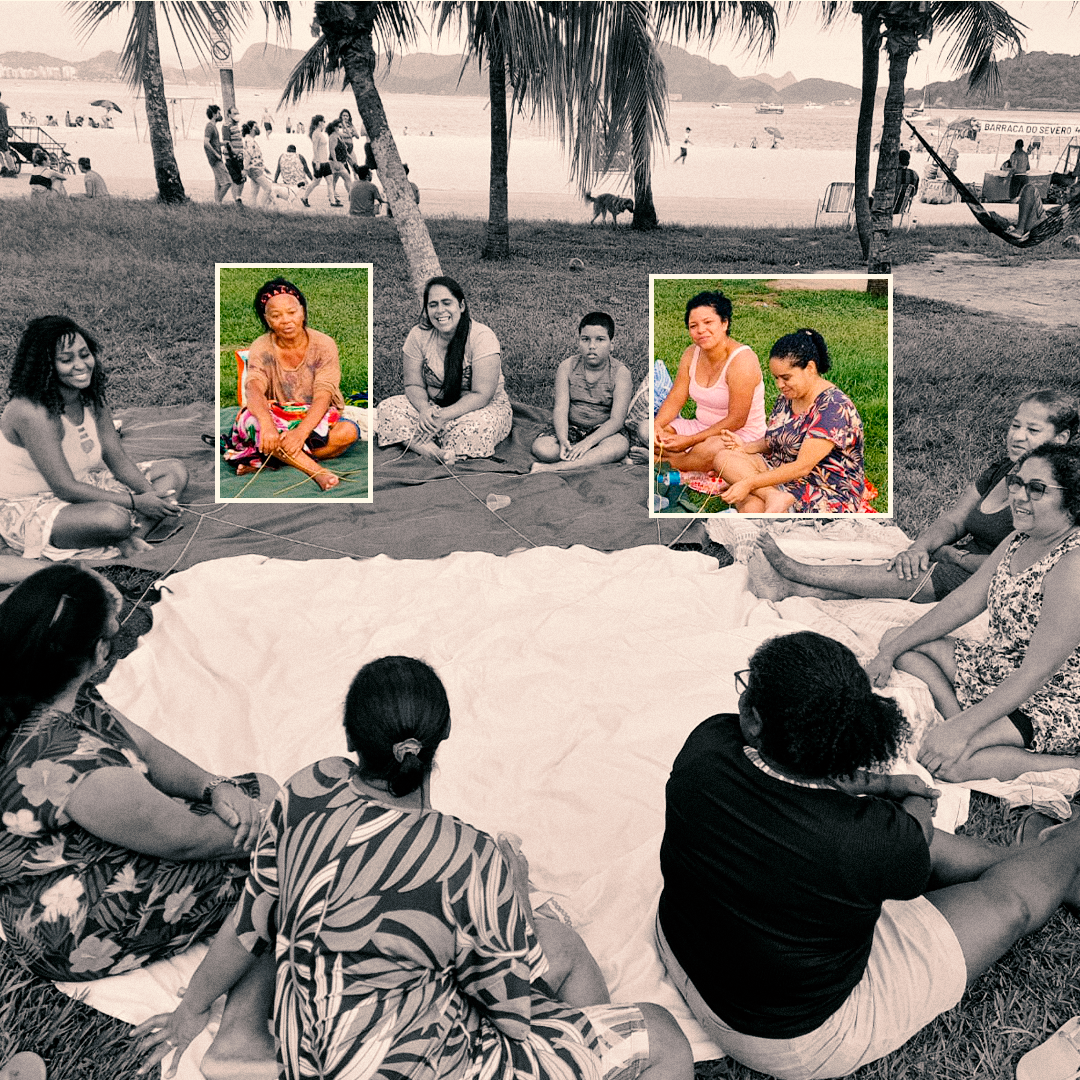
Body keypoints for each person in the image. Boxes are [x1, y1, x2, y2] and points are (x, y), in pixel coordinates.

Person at [134, 655, 693, 1080]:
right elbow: (511, 1009)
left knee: (558, 946)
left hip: (310, 1052)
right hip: (409, 1064)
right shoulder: (467, 854)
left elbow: (252, 922)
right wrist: (511, 894)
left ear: (351, 739)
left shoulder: (309, 786)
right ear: (439, 741)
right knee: (660, 1033)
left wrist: (191, 1009)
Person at [660, 630, 1080, 1080]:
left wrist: (882, 786)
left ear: (755, 719)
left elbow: (857, 808)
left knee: (929, 860)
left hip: (686, 950)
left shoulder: (708, 745)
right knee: (1008, 906)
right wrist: (916, 797)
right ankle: (1069, 846)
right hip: (794, 1038)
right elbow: (916, 841)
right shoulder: (866, 839)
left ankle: (1054, 868)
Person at [0, 564, 276, 983]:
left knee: (258, 794)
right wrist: (280, 828)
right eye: (113, 631)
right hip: (71, 926)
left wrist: (212, 786)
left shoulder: (41, 684)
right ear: (96, 651)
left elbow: (143, 746)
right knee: (280, 856)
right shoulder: (80, 769)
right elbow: (183, 842)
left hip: (74, 856)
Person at [868, 443, 1080, 784]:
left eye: (1037, 489)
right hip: (1003, 667)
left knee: (949, 766)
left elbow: (1037, 672)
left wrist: (964, 731)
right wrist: (888, 654)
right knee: (896, 640)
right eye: (1016, 482)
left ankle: (1071, 764)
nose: (1019, 496)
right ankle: (958, 716)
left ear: (1072, 500)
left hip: (1057, 699)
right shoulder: (1019, 538)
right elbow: (962, 603)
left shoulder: (1074, 565)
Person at [750, 390, 1078, 603]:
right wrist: (920, 547)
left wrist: (954, 557)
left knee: (896, 577)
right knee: (896, 568)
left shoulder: (1059, 493)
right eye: (1015, 425)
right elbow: (954, 519)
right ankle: (794, 589)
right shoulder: (1002, 468)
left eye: (1033, 431)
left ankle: (795, 573)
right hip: (957, 560)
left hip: (991, 580)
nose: (1018, 436)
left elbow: (1027, 565)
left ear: (1061, 438)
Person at [0, 316, 187, 560]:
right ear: (43, 366)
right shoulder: (30, 412)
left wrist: (149, 494)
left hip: (85, 484)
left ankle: (133, 537)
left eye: (84, 354)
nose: (81, 365)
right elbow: (65, 488)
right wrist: (136, 502)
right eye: (66, 360)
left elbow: (116, 458)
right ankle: (122, 532)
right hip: (30, 503)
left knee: (175, 470)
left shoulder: (89, 397)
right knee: (112, 519)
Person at [221, 278, 360, 492]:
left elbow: (324, 392)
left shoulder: (324, 344)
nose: (286, 320)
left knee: (348, 432)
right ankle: (317, 472)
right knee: (253, 420)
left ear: (302, 312)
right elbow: (254, 388)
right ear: (267, 319)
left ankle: (271, 461)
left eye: (292, 312)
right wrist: (267, 425)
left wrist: (301, 432)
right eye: (276, 316)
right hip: (277, 415)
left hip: (313, 415)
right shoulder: (262, 347)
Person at [711, 329, 868, 513]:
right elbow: (777, 439)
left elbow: (802, 468)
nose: (779, 385)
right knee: (724, 457)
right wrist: (745, 448)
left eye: (785, 377)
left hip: (821, 487)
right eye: (776, 378)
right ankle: (771, 496)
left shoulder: (833, 408)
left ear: (810, 368)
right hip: (781, 474)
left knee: (752, 505)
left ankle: (763, 500)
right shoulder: (788, 396)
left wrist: (747, 482)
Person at [377, 277, 514, 464]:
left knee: (477, 428)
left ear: (461, 306)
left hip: (476, 409)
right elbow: (413, 384)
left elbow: (482, 395)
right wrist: (425, 410)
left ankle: (432, 441)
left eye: (446, 303)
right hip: (433, 407)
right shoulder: (418, 335)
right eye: (433, 305)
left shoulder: (482, 337)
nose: (440, 311)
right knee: (388, 408)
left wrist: (442, 417)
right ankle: (436, 453)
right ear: (426, 310)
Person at [653, 290, 767, 473]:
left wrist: (690, 441)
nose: (700, 330)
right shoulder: (691, 353)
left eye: (708, 323)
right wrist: (657, 426)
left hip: (738, 434)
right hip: (701, 426)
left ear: (724, 323)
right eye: (693, 326)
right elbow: (676, 396)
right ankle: (689, 459)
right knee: (649, 433)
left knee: (712, 450)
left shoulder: (742, 360)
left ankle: (664, 462)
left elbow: (737, 419)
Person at [531, 311, 632, 473]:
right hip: (571, 427)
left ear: (612, 344)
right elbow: (561, 409)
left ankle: (555, 468)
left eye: (600, 340)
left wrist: (588, 443)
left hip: (603, 432)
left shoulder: (620, 373)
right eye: (585, 339)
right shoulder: (567, 366)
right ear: (579, 342)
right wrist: (563, 439)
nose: (592, 346)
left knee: (618, 446)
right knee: (542, 449)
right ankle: (596, 459)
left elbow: (616, 420)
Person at [203, 104, 233, 204]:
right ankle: (218, 202)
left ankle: (217, 204)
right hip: (215, 159)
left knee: (218, 183)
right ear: (214, 114)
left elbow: (214, 143)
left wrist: (223, 143)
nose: (220, 116)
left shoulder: (213, 127)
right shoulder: (210, 127)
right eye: (219, 113)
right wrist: (216, 154)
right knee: (228, 182)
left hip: (216, 158)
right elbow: (206, 143)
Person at [301, 115, 331, 207]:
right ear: (319, 123)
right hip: (319, 161)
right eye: (324, 121)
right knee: (316, 182)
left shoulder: (320, 133)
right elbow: (315, 148)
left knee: (330, 180)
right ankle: (304, 197)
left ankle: (333, 200)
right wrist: (317, 162)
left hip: (325, 161)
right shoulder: (316, 134)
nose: (324, 123)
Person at [241, 121, 272, 210]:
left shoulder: (250, 140)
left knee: (254, 191)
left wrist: (265, 168)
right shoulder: (250, 141)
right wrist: (245, 169)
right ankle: (261, 208)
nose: (258, 127)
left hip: (255, 168)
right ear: (251, 129)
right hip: (254, 169)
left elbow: (255, 156)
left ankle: (253, 209)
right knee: (268, 188)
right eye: (256, 126)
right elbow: (248, 156)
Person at [220, 104, 246, 205]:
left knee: (241, 179)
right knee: (235, 179)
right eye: (234, 113)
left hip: (239, 156)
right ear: (229, 115)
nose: (237, 115)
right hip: (232, 157)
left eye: (237, 113)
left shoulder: (236, 126)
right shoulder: (227, 126)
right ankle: (236, 200)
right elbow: (227, 142)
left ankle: (238, 198)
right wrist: (234, 153)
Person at [325, 119, 352, 206]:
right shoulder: (333, 136)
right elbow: (332, 150)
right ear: (333, 127)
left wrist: (344, 125)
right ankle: (351, 196)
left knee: (334, 181)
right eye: (337, 126)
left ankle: (332, 198)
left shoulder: (338, 135)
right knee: (347, 178)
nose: (338, 128)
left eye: (339, 127)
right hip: (336, 162)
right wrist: (336, 162)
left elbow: (349, 135)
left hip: (340, 161)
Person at [336, 107, 360, 175]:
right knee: (344, 170)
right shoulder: (339, 125)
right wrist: (350, 134)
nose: (345, 117)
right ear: (341, 116)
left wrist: (351, 132)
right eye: (344, 115)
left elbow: (357, 136)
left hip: (351, 149)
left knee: (355, 167)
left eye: (347, 116)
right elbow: (339, 135)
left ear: (349, 117)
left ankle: (357, 182)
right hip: (343, 149)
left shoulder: (351, 125)